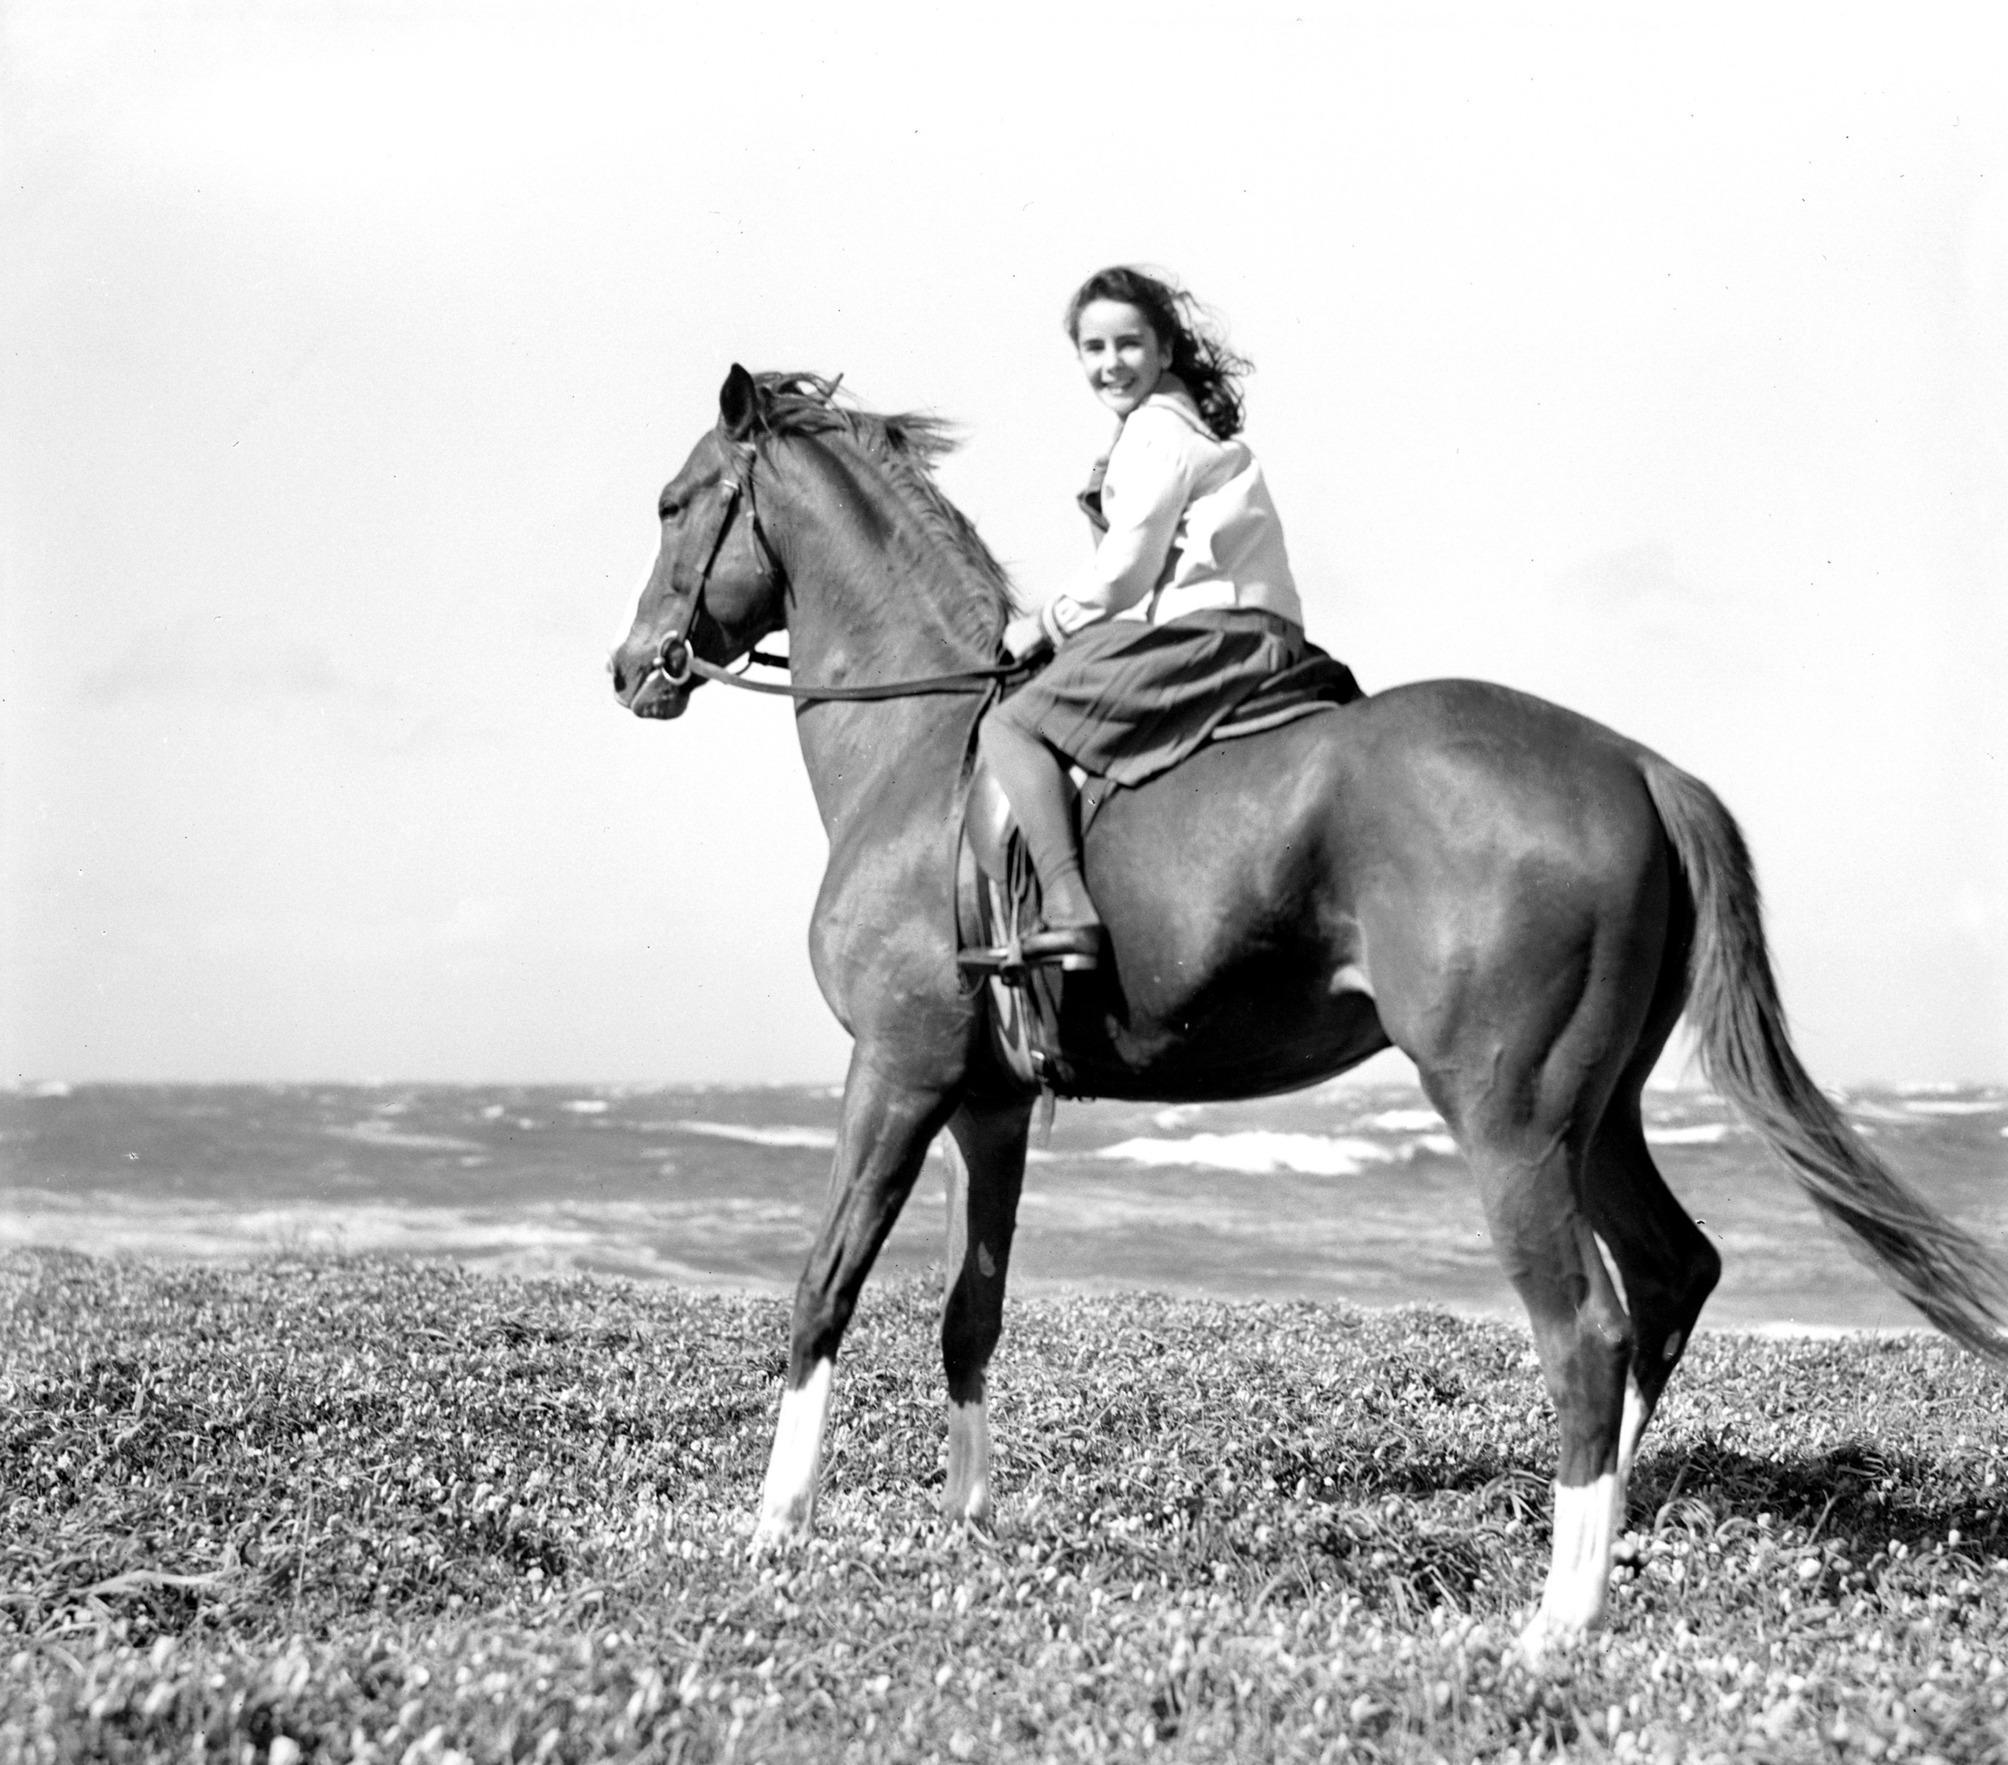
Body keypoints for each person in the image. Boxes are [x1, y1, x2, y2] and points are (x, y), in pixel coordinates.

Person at [979, 266, 1310, 969]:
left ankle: (1068, 906)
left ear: (1165, 349)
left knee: (1008, 721)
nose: (1111, 364)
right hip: (1250, 630)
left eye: (1129, 344)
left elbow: (1127, 571)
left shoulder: (1156, 431)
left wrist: (1044, 623)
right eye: (1094, 349)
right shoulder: (1179, 422)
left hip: (1218, 637)